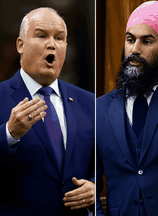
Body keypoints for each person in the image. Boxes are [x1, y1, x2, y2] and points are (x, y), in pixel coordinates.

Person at [96, 1, 158, 216]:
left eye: (147, 41)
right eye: (130, 40)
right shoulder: (99, 108)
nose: (135, 50)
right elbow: (91, 181)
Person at [0, 7, 95, 216]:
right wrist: (9, 133)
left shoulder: (90, 102)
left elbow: (107, 164)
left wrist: (94, 188)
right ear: (20, 45)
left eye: (59, 38)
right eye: (41, 35)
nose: (51, 44)